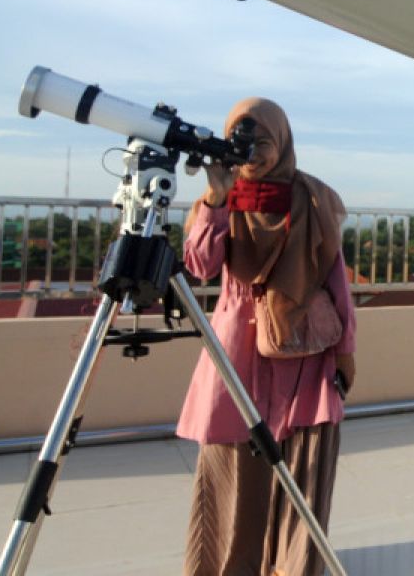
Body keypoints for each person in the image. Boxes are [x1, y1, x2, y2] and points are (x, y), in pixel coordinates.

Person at [177, 97, 356, 576]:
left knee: (303, 483)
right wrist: (217, 198)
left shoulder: (312, 198)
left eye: (263, 140)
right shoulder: (220, 199)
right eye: (243, 140)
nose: (253, 151)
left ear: (282, 141)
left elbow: (337, 283)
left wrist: (346, 354)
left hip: (305, 357)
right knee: (234, 482)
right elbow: (199, 267)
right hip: (237, 356)